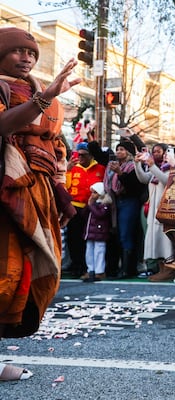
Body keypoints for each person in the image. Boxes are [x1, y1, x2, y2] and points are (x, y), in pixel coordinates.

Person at [0, 26, 80, 380]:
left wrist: (61, 192)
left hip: (38, 193)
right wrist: (45, 96)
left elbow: (55, 148)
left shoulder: (39, 92)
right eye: (18, 51)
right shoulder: (11, 90)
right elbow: (2, 126)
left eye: (31, 54)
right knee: (5, 273)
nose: (27, 58)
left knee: (23, 278)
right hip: (7, 190)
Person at [134, 143, 175, 282]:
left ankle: (170, 270)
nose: (163, 155)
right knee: (156, 240)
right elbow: (143, 179)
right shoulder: (158, 169)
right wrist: (137, 165)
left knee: (165, 240)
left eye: (164, 152)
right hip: (153, 210)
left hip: (166, 209)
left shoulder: (172, 169)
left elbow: (166, 181)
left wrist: (152, 166)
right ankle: (161, 269)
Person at [103, 139, 146, 278]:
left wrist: (120, 173)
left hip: (129, 201)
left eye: (122, 149)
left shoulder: (133, 166)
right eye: (117, 149)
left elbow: (134, 186)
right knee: (118, 234)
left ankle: (128, 269)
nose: (118, 152)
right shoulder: (113, 166)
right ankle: (118, 267)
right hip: (116, 202)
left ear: (128, 152)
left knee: (126, 234)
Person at [65, 141, 106, 279]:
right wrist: (68, 170)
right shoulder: (72, 168)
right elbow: (66, 186)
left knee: (92, 239)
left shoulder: (100, 168)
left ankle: (94, 268)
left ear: (90, 155)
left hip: (93, 209)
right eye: (78, 154)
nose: (80, 157)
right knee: (74, 239)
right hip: (75, 207)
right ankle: (77, 266)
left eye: (84, 155)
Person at [82, 182, 112, 282]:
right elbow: (84, 214)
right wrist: (88, 205)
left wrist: (91, 206)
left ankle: (100, 271)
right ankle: (91, 270)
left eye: (95, 193)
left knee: (99, 250)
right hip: (91, 231)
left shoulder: (105, 204)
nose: (92, 195)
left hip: (100, 231)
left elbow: (100, 214)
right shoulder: (93, 204)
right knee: (89, 251)